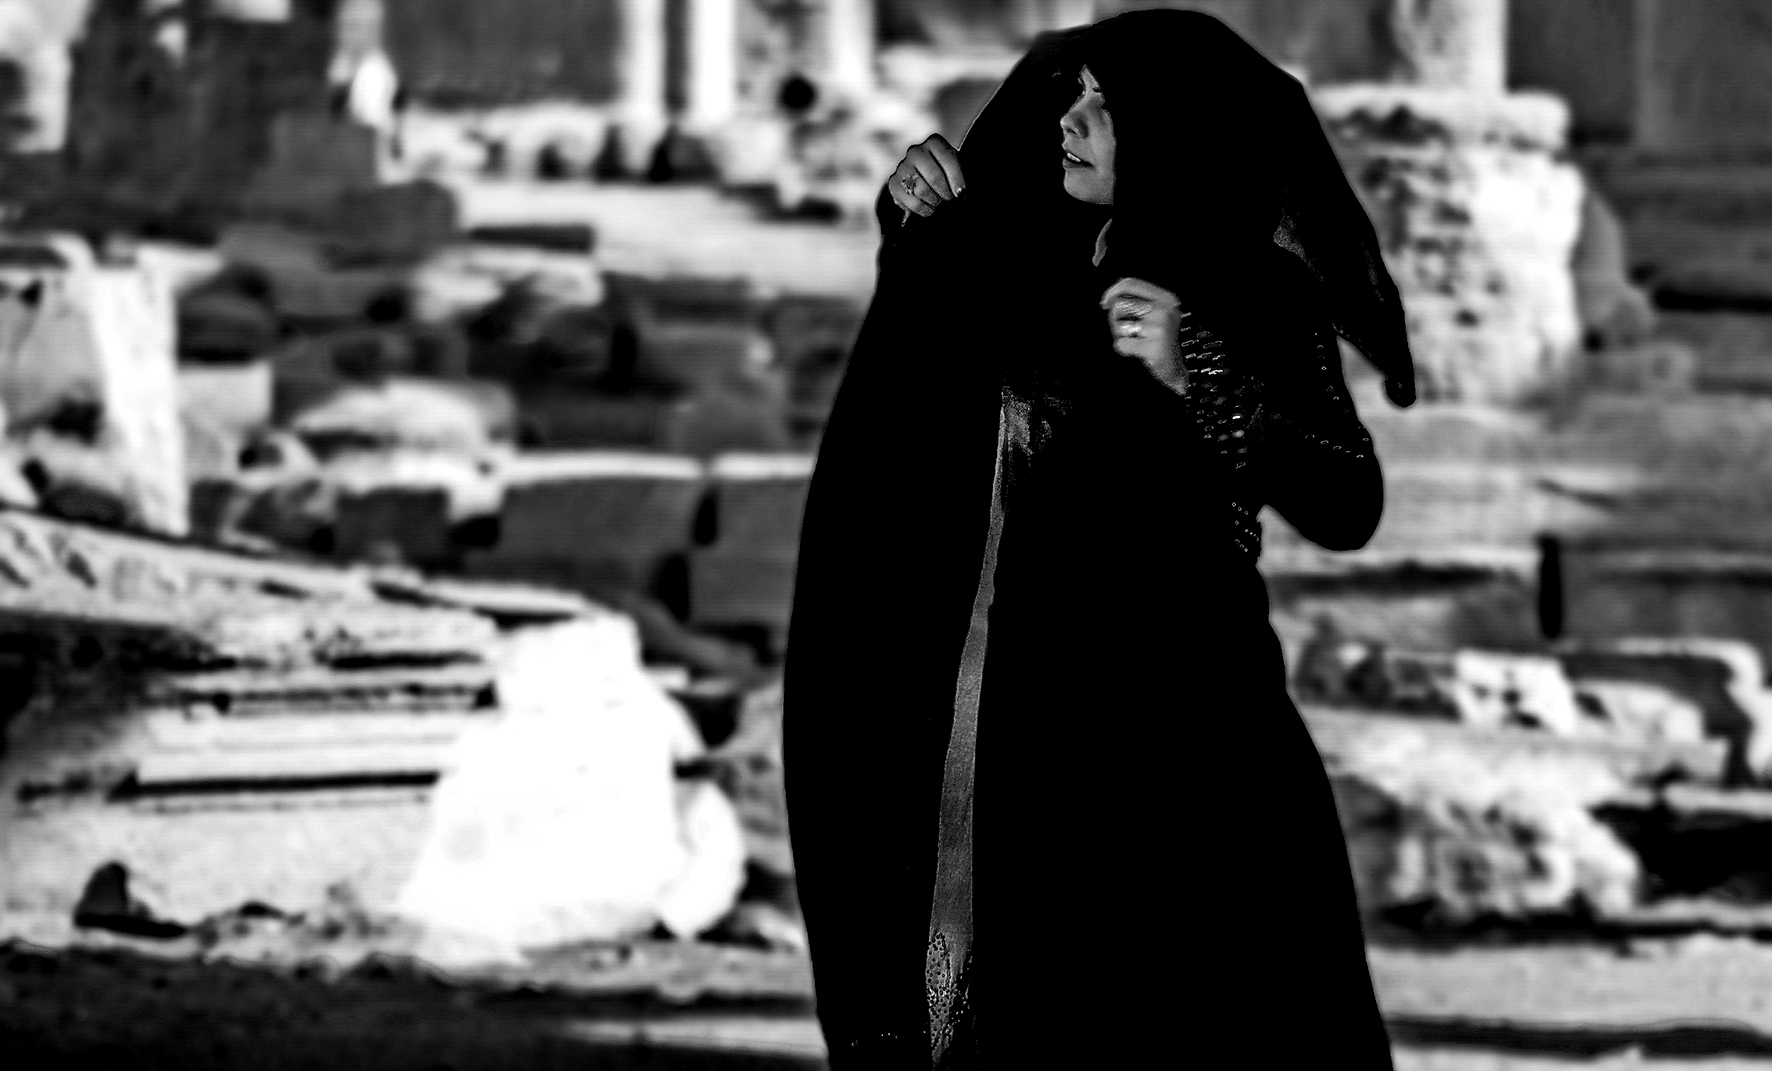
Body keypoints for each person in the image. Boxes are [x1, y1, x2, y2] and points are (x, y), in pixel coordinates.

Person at [783, 10, 1416, 1069]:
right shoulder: (1019, 268)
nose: (1066, 121)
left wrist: (1200, 371)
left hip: (1200, 732)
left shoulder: (1261, 294)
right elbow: (915, 443)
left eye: (1101, 105)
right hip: (1033, 737)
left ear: (1176, 131)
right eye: (1068, 94)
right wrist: (918, 249)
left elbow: (1346, 502)